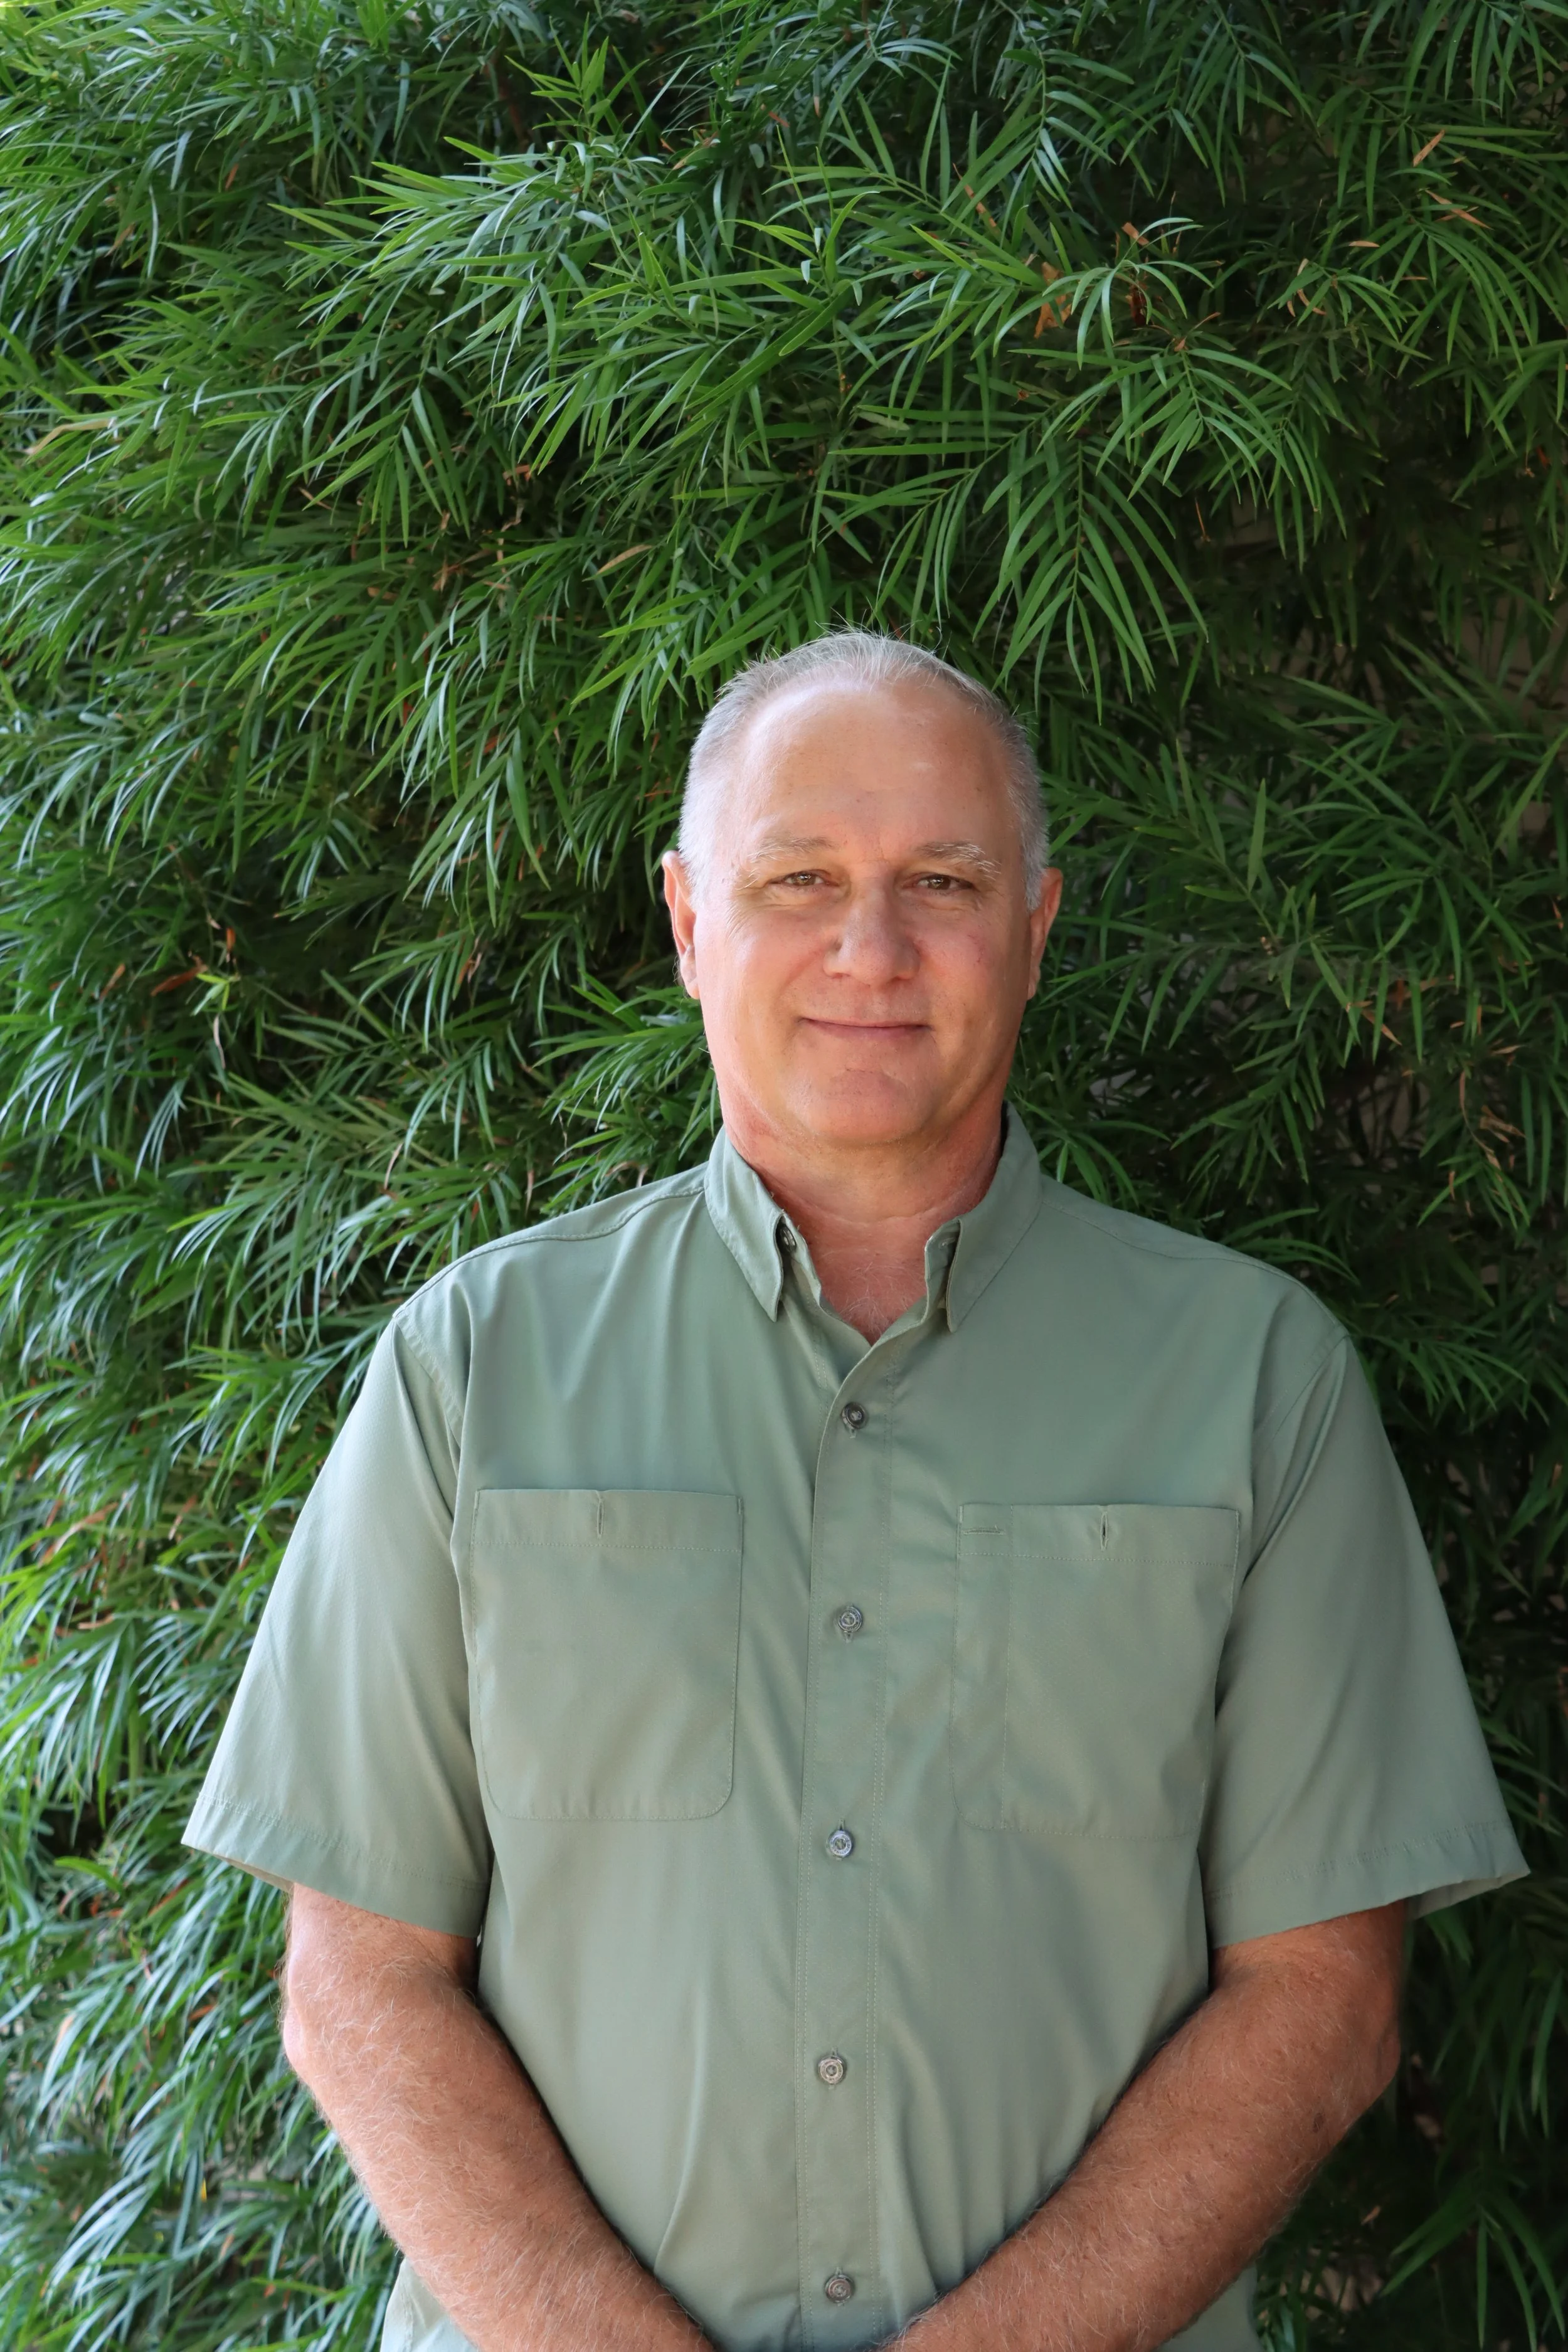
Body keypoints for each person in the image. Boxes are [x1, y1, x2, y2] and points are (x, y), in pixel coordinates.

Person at [186, 631, 1525, 2352]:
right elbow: (359, 1983)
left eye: (940, 879)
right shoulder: (475, 1367)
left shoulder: (1255, 1379)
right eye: (798, 875)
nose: (868, 947)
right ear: (687, 922)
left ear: (1033, 928)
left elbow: (1320, 1999)